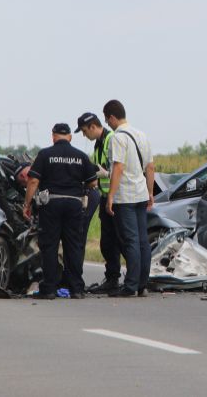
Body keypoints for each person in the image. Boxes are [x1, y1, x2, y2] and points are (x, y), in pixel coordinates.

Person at [23, 123, 97, 300]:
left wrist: (27, 204)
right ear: (70, 137)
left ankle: (49, 289)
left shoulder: (45, 154)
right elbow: (93, 183)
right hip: (74, 204)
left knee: (50, 246)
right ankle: (77, 289)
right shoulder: (80, 156)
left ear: (53, 136)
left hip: (51, 204)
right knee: (74, 246)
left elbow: (33, 181)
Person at [103, 100, 155, 297]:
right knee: (142, 241)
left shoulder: (118, 137)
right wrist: (150, 193)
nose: (108, 124)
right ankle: (142, 284)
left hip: (125, 196)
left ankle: (131, 285)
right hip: (141, 193)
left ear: (112, 117)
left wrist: (110, 195)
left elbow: (118, 167)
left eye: (107, 120)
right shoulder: (142, 135)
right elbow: (150, 167)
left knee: (130, 241)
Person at [74, 112, 122, 293]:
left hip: (115, 197)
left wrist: (106, 173)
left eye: (85, 131)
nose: (85, 136)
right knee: (107, 243)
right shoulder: (99, 143)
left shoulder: (111, 139)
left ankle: (120, 279)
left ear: (93, 127)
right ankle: (112, 279)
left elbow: (119, 168)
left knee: (118, 241)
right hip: (104, 196)